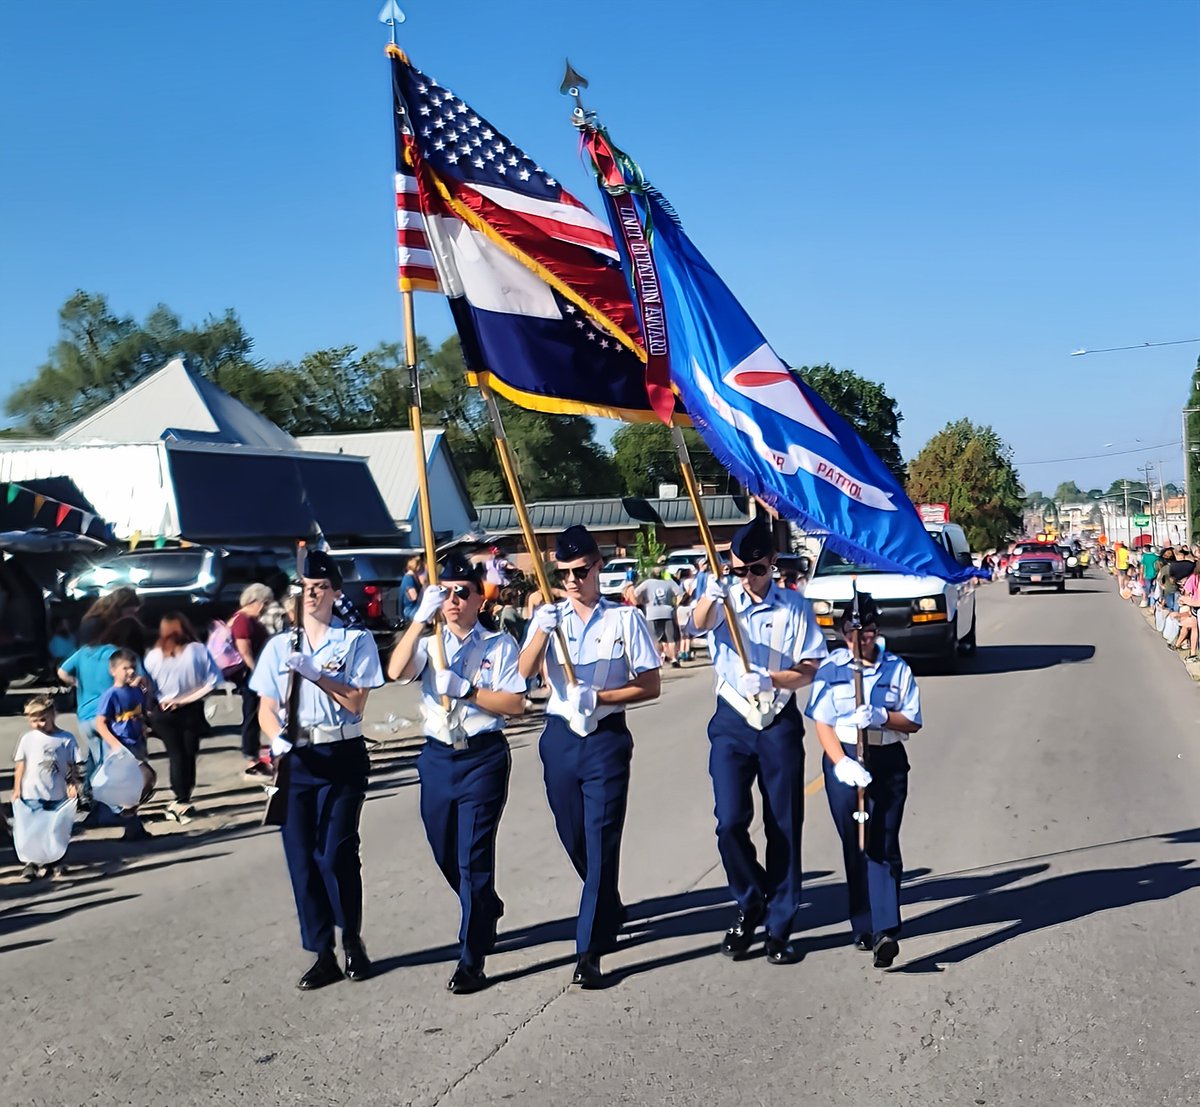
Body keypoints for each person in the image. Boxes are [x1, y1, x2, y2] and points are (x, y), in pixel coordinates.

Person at [518, 525, 662, 988]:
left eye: (581, 571)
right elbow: (520, 675)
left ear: (598, 566)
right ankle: (608, 901)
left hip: (604, 738)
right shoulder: (549, 616)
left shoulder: (623, 619)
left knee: (601, 842)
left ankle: (589, 950)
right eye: (565, 574)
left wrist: (603, 696)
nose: (574, 581)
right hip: (560, 738)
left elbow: (651, 684)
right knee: (573, 835)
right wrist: (540, 632)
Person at [689, 514, 827, 965]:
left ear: (772, 563)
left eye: (757, 569)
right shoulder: (722, 599)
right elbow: (694, 624)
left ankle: (780, 926)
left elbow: (809, 667)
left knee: (783, 823)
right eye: (738, 570)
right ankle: (750, 901)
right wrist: (713, 592)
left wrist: (772, 679)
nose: (748, 578)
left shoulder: (795, 607)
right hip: (732, 718)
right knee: (729, 821)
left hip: (778, 716)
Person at [387, 554, 527, 994]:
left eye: (460, 592)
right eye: (443, 591)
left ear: (477, 598)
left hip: (482, 756)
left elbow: (516, 705)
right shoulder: (430, 641)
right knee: (444, 849)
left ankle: (471, 957)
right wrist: (417, 620)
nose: (452, 600)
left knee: (472, 856)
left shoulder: (498, 644)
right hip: (437, 756)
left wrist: (467, 690)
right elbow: (395, 672)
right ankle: (484, 904)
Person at [251, 550, 383, 991]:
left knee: (337, 852)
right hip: (299, 759)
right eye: (306, 589)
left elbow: (356, 702)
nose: (312, 596)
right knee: (302, 858)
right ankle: (321, 951)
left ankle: (352, 939)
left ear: (335, 592)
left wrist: (318, 675)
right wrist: (276, 737)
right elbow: (267, 707)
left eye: (321, 588)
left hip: (341, 754)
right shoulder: (279, 646)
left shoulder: (354, 642)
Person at [806, 592, 922, 968]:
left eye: (869, 631)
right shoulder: (832, 668)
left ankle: (885, 929)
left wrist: (881, 716)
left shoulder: (897, 668)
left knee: (882, 842)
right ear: (842, 632)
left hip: (886, 758)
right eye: (854, 631)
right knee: (856, 843)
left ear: (877, 631)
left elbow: (913, 721)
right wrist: (840, 763)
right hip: (844, 761)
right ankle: (863, 922)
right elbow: (822, 722)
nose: (862, 638)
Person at [144, 613, 222, 823]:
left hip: (163, 709)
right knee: (189, 752)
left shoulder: (153, 655)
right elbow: (213, 681)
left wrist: (150, 706)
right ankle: (184, 794)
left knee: (175, 753)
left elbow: (147, 686)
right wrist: (186, 699)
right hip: (191, 709)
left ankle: (180, 796)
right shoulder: (198, 650)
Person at [12, 694, 82, 879]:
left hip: (57, 792)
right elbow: (21, 764)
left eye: (42, 720)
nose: (38, 725)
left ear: (53, 715)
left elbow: (70, 765)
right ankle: (31, 863)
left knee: (55, 827)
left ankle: (55, 861)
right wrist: (17, 788)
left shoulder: (65, 738)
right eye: (33, 721)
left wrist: (72, 784)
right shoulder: (27, 739)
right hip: (32, 792)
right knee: (32, 828)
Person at [95, 649, 157, 841]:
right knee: (147, 777)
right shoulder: (111, 695)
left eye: (133, 667)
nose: (130, 671)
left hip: (136, 743)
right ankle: (128, 812)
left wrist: (147, 690)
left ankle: (133, 828)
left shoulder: (136, 691)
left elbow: (145, 711)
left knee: (134, 785)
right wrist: (115, 745)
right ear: (113, 671)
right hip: (122, 747)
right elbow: (100, 723)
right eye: (125, 668)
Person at [229, 583, 274, 778]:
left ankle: (254, 752)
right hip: (251, 676)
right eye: (264, 603)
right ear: (254, 601)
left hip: (255, 674)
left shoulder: (247, 620)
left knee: (255, 714)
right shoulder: (243, 621)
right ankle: (251, 756)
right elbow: (245, 651)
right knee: (252, 714)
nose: (265, 608)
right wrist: (258, 673)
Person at [635, 570, 683, 668]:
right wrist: (675, 605)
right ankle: (674, 658)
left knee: (654, 639)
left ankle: (657, 660)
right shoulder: (669, 582)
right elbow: (680, 594)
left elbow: (635, 593)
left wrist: (642, 602)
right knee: (671, 638)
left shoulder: (647, 583)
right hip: (667, 612)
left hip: (651, 613)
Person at [400, 556, 425, 625]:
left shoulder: (412, 578)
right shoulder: (408, 578)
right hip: (411, 610)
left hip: (414, 609)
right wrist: (424, 588)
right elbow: (414, 597)